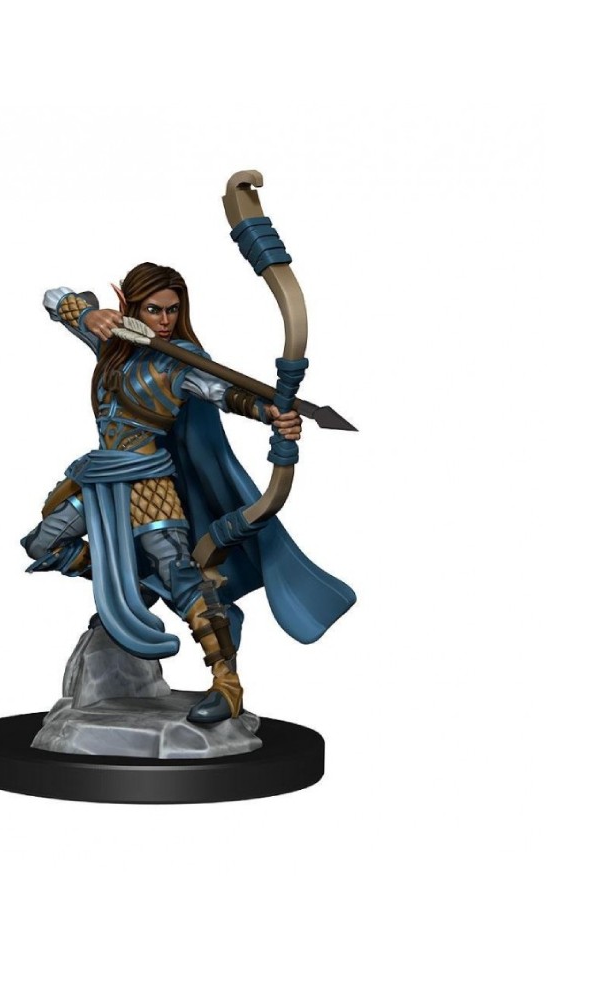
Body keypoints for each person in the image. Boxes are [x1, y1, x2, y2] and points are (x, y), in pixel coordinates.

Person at [22, 262, 353, 724]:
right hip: (99, 475)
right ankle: (136, 589)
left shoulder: (180, 360)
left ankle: (227, 683)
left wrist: (271, 414)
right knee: (44, 544)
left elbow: (225, 394)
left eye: (172, 310)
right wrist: (86, 314)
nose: (163, 321)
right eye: (153, 310)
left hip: (149, 483)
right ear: (130, 307)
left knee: (179, 573)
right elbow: (53, 296)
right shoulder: (112, 340)